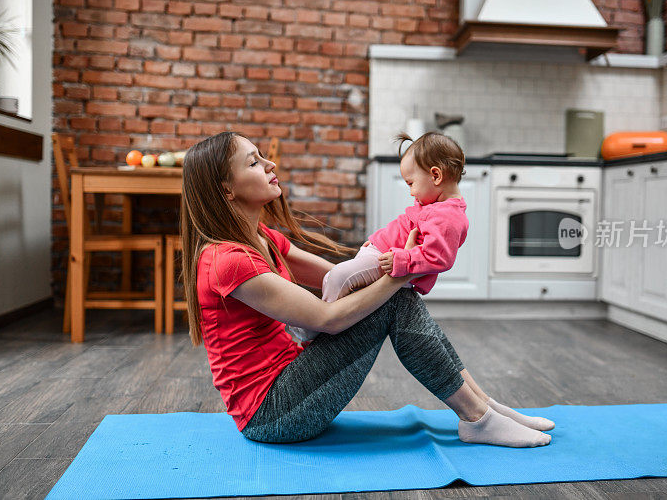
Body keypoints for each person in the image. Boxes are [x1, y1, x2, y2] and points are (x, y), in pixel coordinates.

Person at [180, 131, 554, 448]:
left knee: (394, 292)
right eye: (254, 163)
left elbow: (341, 275)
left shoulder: (263, 238)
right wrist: (401, 269)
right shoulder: (228, 261)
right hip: (272, 413)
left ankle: (482, 406)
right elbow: (327, 318)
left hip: (293, 381)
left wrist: (396, 263)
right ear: (226, 189)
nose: (270, 165)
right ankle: (477, 416)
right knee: (394, 296)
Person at [286, 131, 470, 343]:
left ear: (436, 176)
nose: (411, 192)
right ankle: (326, 327)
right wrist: (378, 241)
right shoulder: (436, 205)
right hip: (381, 254)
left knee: (337, 277)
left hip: (390, 262)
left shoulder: (448, 217)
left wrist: (401, 260)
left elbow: (439, 257)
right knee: (344, 285)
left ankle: (309, 331)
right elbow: (405, 228)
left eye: (411, 183)